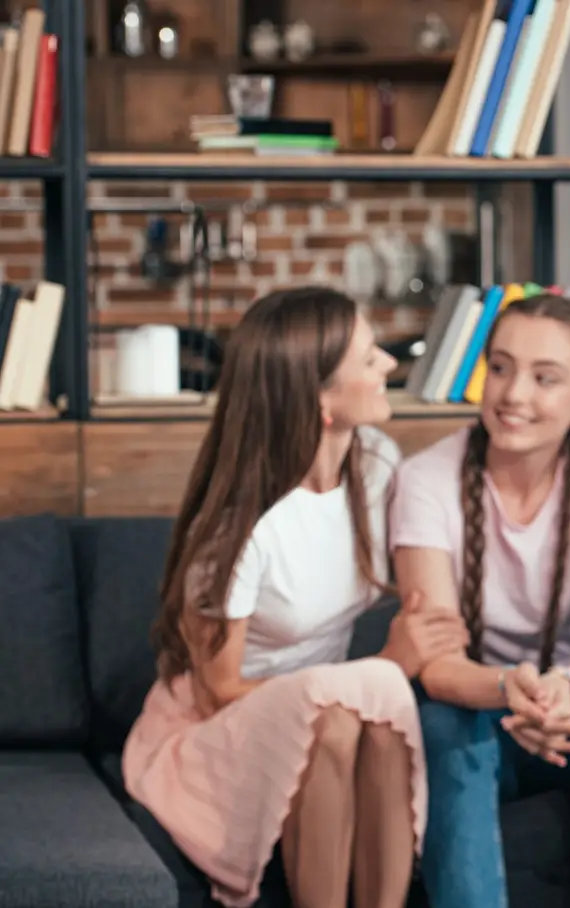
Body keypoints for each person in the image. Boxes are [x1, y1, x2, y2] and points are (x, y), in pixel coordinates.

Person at [122, 286, 469, 908]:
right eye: (369, 359)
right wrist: (388, 667)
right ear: (322, 399)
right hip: (215, 732)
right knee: (341, 713)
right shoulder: (239, 529)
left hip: (330, 709)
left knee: (367, 713)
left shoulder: (377, 467)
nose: (390, 365)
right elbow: (218, 691)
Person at [389, 293, 570, 908]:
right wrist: (507, 689)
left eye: (546, 378)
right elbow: (437, 664)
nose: (514, 393)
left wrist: (559, 693)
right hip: (479, 702)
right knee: (442, 724)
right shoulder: (424, 480)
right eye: (500, 367)